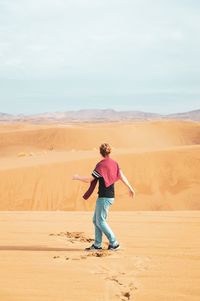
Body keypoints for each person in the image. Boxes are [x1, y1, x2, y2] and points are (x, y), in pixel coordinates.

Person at [72, 143, 135, 251]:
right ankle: (97, 245)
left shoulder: (101, 165)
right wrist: (130, 187)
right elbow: (122, 176)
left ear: (100, 152)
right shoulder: (114, 163)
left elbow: (89, 179)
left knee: (100, 221)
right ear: (109, 152)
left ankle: (114, 243)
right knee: (95, 220)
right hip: (108, 196)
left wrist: (77, 177)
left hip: (104, 197)